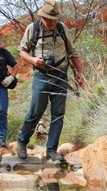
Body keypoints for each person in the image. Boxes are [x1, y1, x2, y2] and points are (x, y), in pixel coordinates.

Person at [16, 0, 84, 161]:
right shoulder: (32, 29)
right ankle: (22, 142)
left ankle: (52, 150)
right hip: (41, 75)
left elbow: (72, 52)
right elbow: (22, 51)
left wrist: (79, 73)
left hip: (60, 75)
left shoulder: (61, 28)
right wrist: (33, 60)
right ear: (42, 18)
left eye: (54, 19)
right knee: (36, 111)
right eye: (49, 19)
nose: (52, 22)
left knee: (58, 114)